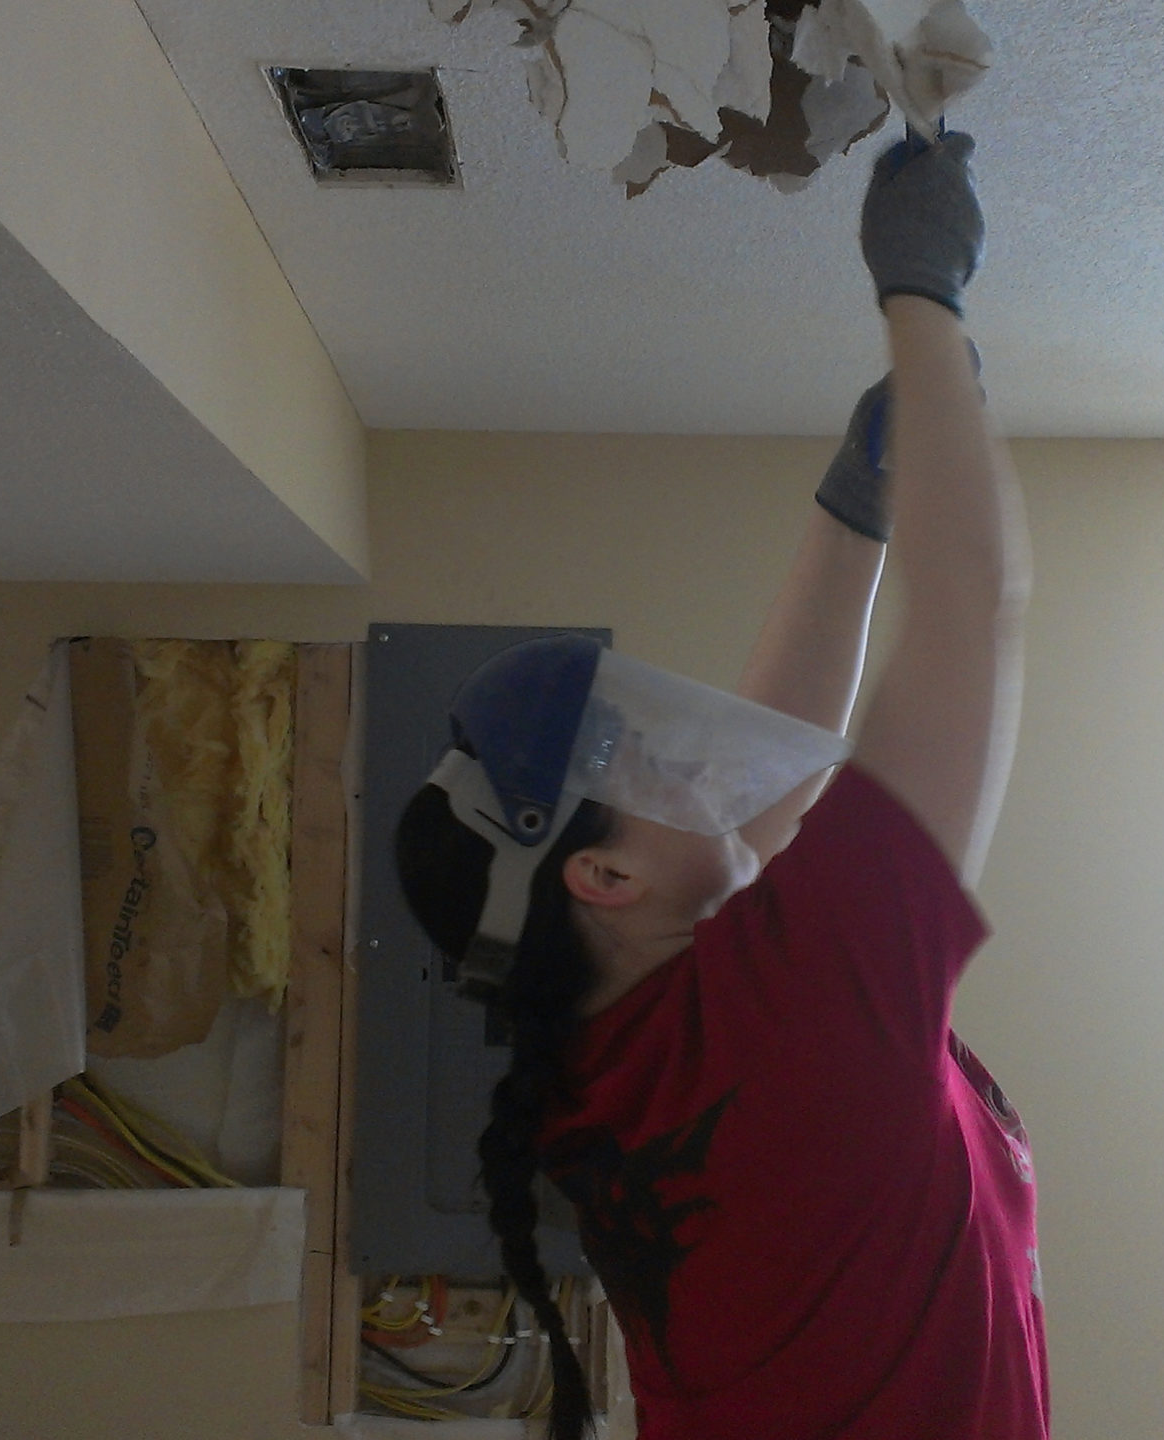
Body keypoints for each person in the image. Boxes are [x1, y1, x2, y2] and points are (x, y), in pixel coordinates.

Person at [393, 129, 1039, 1438]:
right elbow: (968, 609)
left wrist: (859, 505)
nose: (692, 755)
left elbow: (771, 774)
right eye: (644, 759)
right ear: (605, 877)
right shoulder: (747, 1029)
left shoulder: (629, 1053)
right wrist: (924, 291)